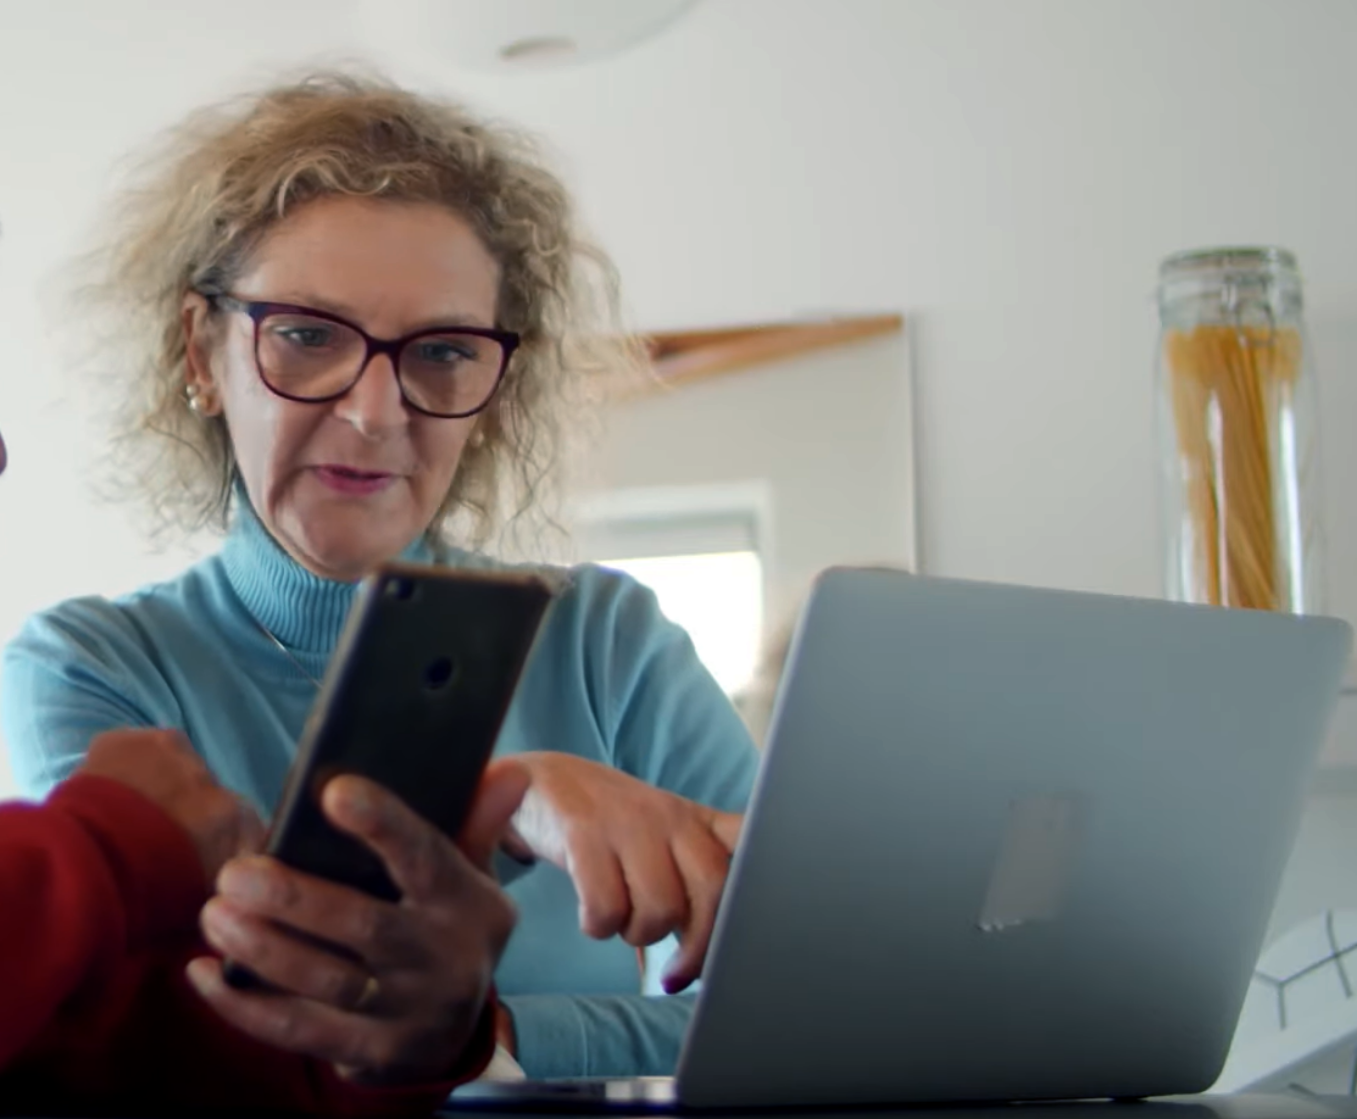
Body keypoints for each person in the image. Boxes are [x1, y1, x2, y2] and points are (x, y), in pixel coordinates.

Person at [2, 70, 759, 1080]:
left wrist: (492, 1041)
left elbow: (798, 1005)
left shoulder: (604, 638)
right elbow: (192, 1041)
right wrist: (503, 808)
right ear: (201, 351)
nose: (373, 411)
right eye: (307, 336)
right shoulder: (94, 667)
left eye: (441, 351)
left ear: (495, 389)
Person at [0, 422, 525, 1111]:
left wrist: (390, 1029)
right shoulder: (85, 660)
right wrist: (105, 843)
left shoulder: (605, 626)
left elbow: (155, 1056)